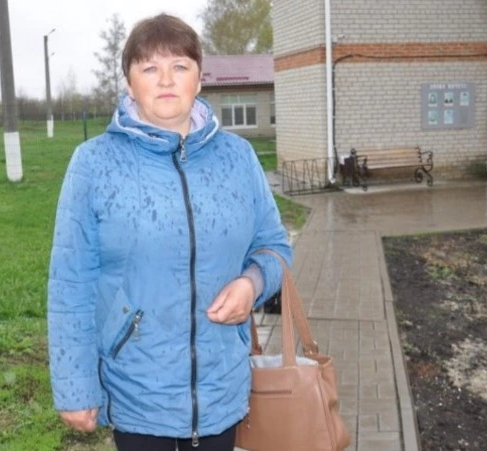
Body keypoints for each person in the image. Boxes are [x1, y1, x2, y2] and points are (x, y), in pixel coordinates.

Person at [47, 13, 292, 451]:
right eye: (149, 68)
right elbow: (70, 281)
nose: (165, 80)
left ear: (199, 78)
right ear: (129, 82)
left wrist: (252, 284)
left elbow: (274, 246)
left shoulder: (238, 158)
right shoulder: (94, 163)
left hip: (221, 390)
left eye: (179, 66)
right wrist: (74, 387)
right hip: (137, 391)